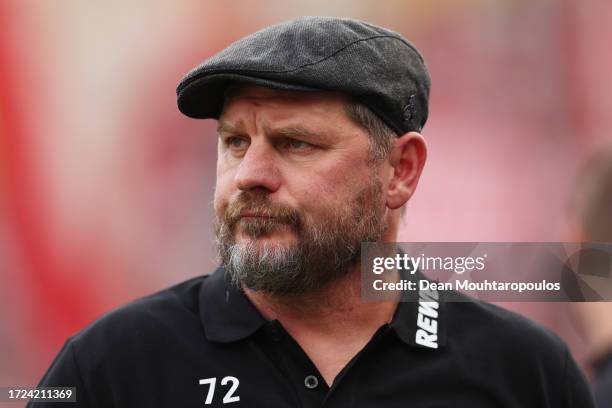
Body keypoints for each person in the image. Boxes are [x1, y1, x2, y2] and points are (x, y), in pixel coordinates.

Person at [28, 16, 595, 407]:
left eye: (296, 143)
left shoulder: (524, 373)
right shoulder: (112, 367)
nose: (250, 174)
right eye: (234, 142)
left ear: (401, 171)